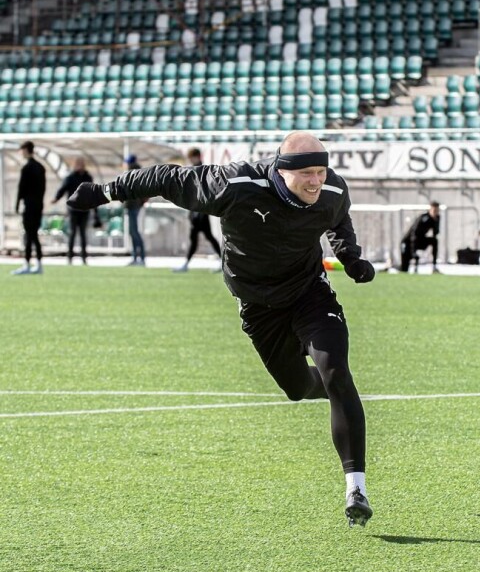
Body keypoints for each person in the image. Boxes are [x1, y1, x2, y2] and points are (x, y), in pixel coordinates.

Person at [67, 132, 377, 527]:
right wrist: (104, 191)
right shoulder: (234, 184)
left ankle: (356, 488)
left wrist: (349, 257)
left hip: (309, 294)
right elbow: (166, 178)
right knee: (299, 388)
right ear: (283, 171)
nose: (317, 181)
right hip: (259, 307)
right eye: (307, 174)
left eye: (321, 171)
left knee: (338, 373)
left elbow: (338, 217)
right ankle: (329, 390)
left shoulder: (332, 187)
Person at [173, 148, 222, 273]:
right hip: (197, 209)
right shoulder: (196, 169)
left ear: (197, 157)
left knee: (202, 237)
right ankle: (222, 261)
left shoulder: (200, 170)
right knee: (202, 238)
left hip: (200, 211)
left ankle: (222, 261)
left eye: (191, 157)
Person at [52, 157, 96, 265]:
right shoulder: (71, 177)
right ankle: (70, 257)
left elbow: (93, 192)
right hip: (73, 210)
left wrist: (95, 208)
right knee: (72, 233)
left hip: (84, 209)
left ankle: (84, 257)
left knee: (82, 234)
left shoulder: (88, 177)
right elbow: (63, 189)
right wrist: (56, 198)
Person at [12, 141, 45, 275]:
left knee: (29, 235)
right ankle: (38, 263)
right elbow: (43, 189)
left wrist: (17, 204)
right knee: (34, 235)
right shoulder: (41, 167)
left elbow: (21, 188)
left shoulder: (27, 168)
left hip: (29, 206)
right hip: (38, 206)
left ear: (26, 150)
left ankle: (27, 263)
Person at [399, 201, 441, 273]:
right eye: (434, 211)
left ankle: (434, 266)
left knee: (434, 241)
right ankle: (393, 268)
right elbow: (414, 234)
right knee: (405, 268)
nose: (435, 213)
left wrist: (435, 223)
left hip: (420, 240)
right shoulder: (423, 217)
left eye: (437, 211)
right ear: (430, 210)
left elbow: (435, 232)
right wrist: (414, 250)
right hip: (408, 242)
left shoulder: (436, 218)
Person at [123, 154, 147, 266]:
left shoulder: (134, 173)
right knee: (132, 233)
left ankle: (141, 258)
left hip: (134, 206)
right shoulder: (136, 173)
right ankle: (136, 257)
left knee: (135, 232)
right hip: (132, 206)